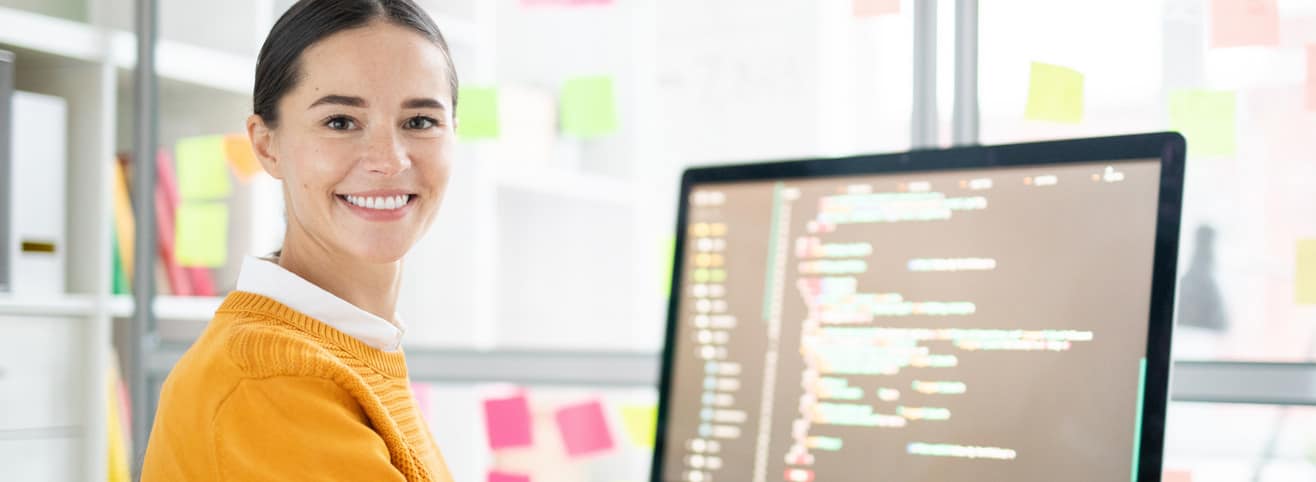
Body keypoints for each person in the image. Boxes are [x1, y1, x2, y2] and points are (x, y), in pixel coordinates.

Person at [142, 0, 458, 479]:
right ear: (266, 144)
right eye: (340, 122)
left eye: (419, 122)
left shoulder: (356, 346)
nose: (389, 160)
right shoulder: (270, 376)